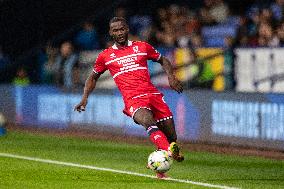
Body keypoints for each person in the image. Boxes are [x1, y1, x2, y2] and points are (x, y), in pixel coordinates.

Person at [74, 17, 184, 178]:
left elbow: (164, 60)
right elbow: (93, 78)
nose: (119, 33)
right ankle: (168, 151)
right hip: (133, 99)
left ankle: (160, 166)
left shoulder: (142, 46)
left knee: (171, 137)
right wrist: (85, 98)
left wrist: (171, 77)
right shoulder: (106, 56)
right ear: (111, 33)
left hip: (153, 95)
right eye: (115, 30)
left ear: (127, 29)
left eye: (122, 29)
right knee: (148, 121)